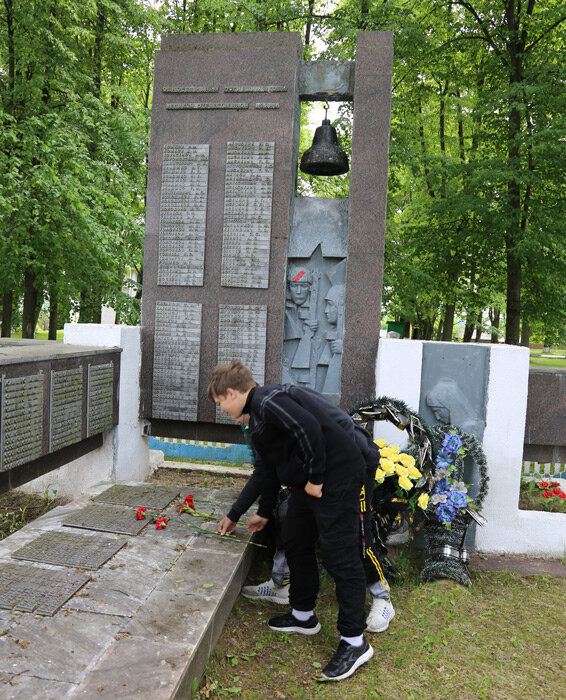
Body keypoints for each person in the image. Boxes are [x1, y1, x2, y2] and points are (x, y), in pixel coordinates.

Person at [208, 360, 375, 682]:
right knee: (296, 539)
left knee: (341, 557)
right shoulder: (258, 418)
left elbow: (309, 429)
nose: (223, 410)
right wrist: (255, 512)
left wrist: (315, 477)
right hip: (309, 485)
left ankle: (355, 642)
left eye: (220, 403)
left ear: (231, 392)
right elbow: (268, 470)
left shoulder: (269, 401)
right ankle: (303, 614)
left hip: (337, 477)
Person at [232, 424, 395, 633]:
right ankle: (282, 582)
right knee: (288, 516)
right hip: (313, 471)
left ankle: (382, 596)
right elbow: (264, 472)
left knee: (358, 534)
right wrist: (235, 514)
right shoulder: (259, 425)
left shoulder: (281, 416)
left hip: (352, 463)